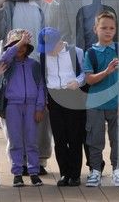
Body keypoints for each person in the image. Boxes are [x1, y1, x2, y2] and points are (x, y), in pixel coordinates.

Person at [48, 0, 119, 176]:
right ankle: (95, 166)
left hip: (112, 61)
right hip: (85, 66)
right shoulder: (68, 0)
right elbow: (65, 33)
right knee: (89, 122)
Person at [83, 11, 119, 187]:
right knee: (95, 139)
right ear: (95, 29)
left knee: (117, 139)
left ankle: (117, 171)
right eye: (103, 27)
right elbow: (89, 79)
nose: (108, 31)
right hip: (95, 104)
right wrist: (106, 72)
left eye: (112, 28)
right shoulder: (90, 53)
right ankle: (95, 171)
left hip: (116, 103)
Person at [0, 29, 47, 187]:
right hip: (13, 106)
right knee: (15, 141)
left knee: (32, 141)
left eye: (24, 45)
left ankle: (34, 172)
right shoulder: (7, 64)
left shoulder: (34, 65)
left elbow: (41, 87)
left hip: (31, 106)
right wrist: (19, 43)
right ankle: (17, 172)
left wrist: (39, 108)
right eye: (16, 44)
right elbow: (4, 57)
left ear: (28, 47)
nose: (20, 47)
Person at [38, 27, 87, 187]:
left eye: (51, 47)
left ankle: (75, 175)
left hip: (73, 96)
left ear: (59, 42)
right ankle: (64, 173)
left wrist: (77, 82)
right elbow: (43, 78)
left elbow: (85, 74)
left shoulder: (76, 52)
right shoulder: (44, 56)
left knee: (74, 137)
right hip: (54, 98)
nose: (49, 52)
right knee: (59, 139)